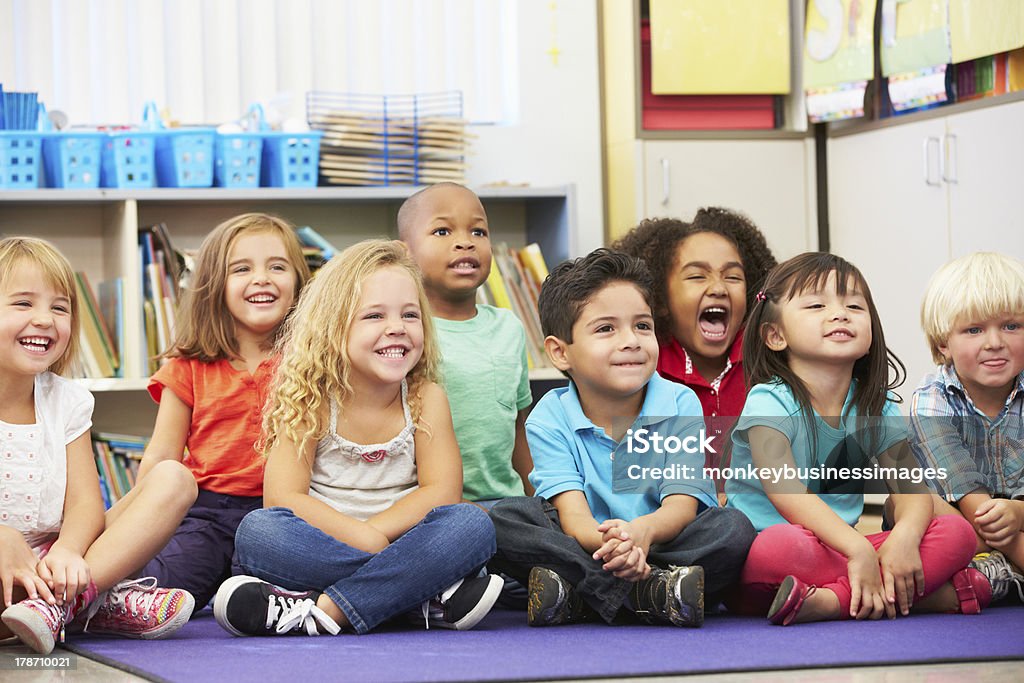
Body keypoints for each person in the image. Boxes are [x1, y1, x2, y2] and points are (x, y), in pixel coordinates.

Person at [213, 240, 501, 637]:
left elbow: (442, 492)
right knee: (258, 532)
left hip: (405, 538)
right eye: (374, 315)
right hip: (325, 545)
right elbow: (283, 498)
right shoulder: (309, 397)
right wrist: (366, 540)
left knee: (473, 524)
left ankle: (322, 607)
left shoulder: (426, 397)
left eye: (410, 314)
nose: (396, 327)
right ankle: (419, 598)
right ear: (334, 328)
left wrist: (378, 531)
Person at [488, 249, 756, 628]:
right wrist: (612, 546)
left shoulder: (679, 402)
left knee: (732, 528)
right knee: (504, 519)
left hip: (661, 540)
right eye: (606, 328)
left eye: (642, 326)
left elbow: (681, 505)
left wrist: (640, 534)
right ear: (560, 352)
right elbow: (574, 516)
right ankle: (650, 594)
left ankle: (580, 597)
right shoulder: (550, 414)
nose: (631, 341)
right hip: (586, 544)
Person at [725, 252, 989, 625]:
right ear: (775, 335)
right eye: (817, 304)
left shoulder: (876, 406)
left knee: (956, 533)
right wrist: (857, 549)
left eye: (853, 305)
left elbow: (912, 490)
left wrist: (906, 537)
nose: (839, 313)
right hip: (776, 552)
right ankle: (920, 596)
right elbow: (785, 491)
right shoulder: (768, 400)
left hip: (840, 555)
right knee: (779, 547)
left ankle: (833, 601)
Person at [0, 237, 194, 655]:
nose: (45, 320)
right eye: (23, 304)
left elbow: (87, 504)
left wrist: (69, 551)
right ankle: (94, 602)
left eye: (59, 307)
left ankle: (66, 602)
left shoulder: (68, 400)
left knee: (174, 478)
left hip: (59, 559)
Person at [136, 213, 310, 611]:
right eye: (242, 269)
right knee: (157, 589)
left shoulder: (312, 361)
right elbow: (161, 457)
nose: (262, 278)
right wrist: (135, 527)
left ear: (300, 283)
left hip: (286, 514)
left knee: (305, 577)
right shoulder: (188, 367)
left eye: (277, 266)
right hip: (207, 514)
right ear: (214, 286)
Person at [398, 182, 534, 506]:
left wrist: (539, 500)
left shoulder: (509, 328)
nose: (465, 243)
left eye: (478, 232)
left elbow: (519, 426)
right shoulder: (404, 332)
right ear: (404, 253)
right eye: (443, 232)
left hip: (507, 502)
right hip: (431, 506)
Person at [911, 252, 1024, 603]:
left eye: (1011, 326)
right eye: (974, 330)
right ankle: (1000, 567)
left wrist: (1018, 512)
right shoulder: (931, 402)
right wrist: (1010, 535)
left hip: (1018, 516)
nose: (994, 342)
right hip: (960, 516)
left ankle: (995, 571)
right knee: (917, 505)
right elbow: (966, 493)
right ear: (944, 343)